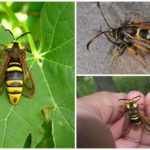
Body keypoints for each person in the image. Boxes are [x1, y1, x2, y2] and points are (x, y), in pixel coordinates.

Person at [77, 91, 150, 148]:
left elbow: (123, 109)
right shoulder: (137, 109)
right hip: (138, 121)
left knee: (135, 117)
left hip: (134, 122)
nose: (130, 102)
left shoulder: (127, 111)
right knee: (143, 116)